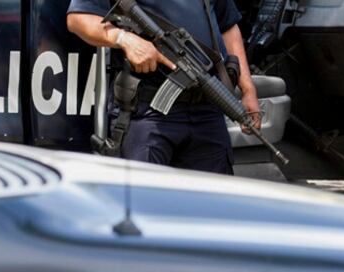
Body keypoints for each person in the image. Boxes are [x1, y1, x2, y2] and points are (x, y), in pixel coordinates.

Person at [67, 0, 259, 174]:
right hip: (148, 111)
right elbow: (78, 18)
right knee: (145, 204)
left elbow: (228, 27)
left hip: (207, 111)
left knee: (213, 205)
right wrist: (125, 39)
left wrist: (248, 90)